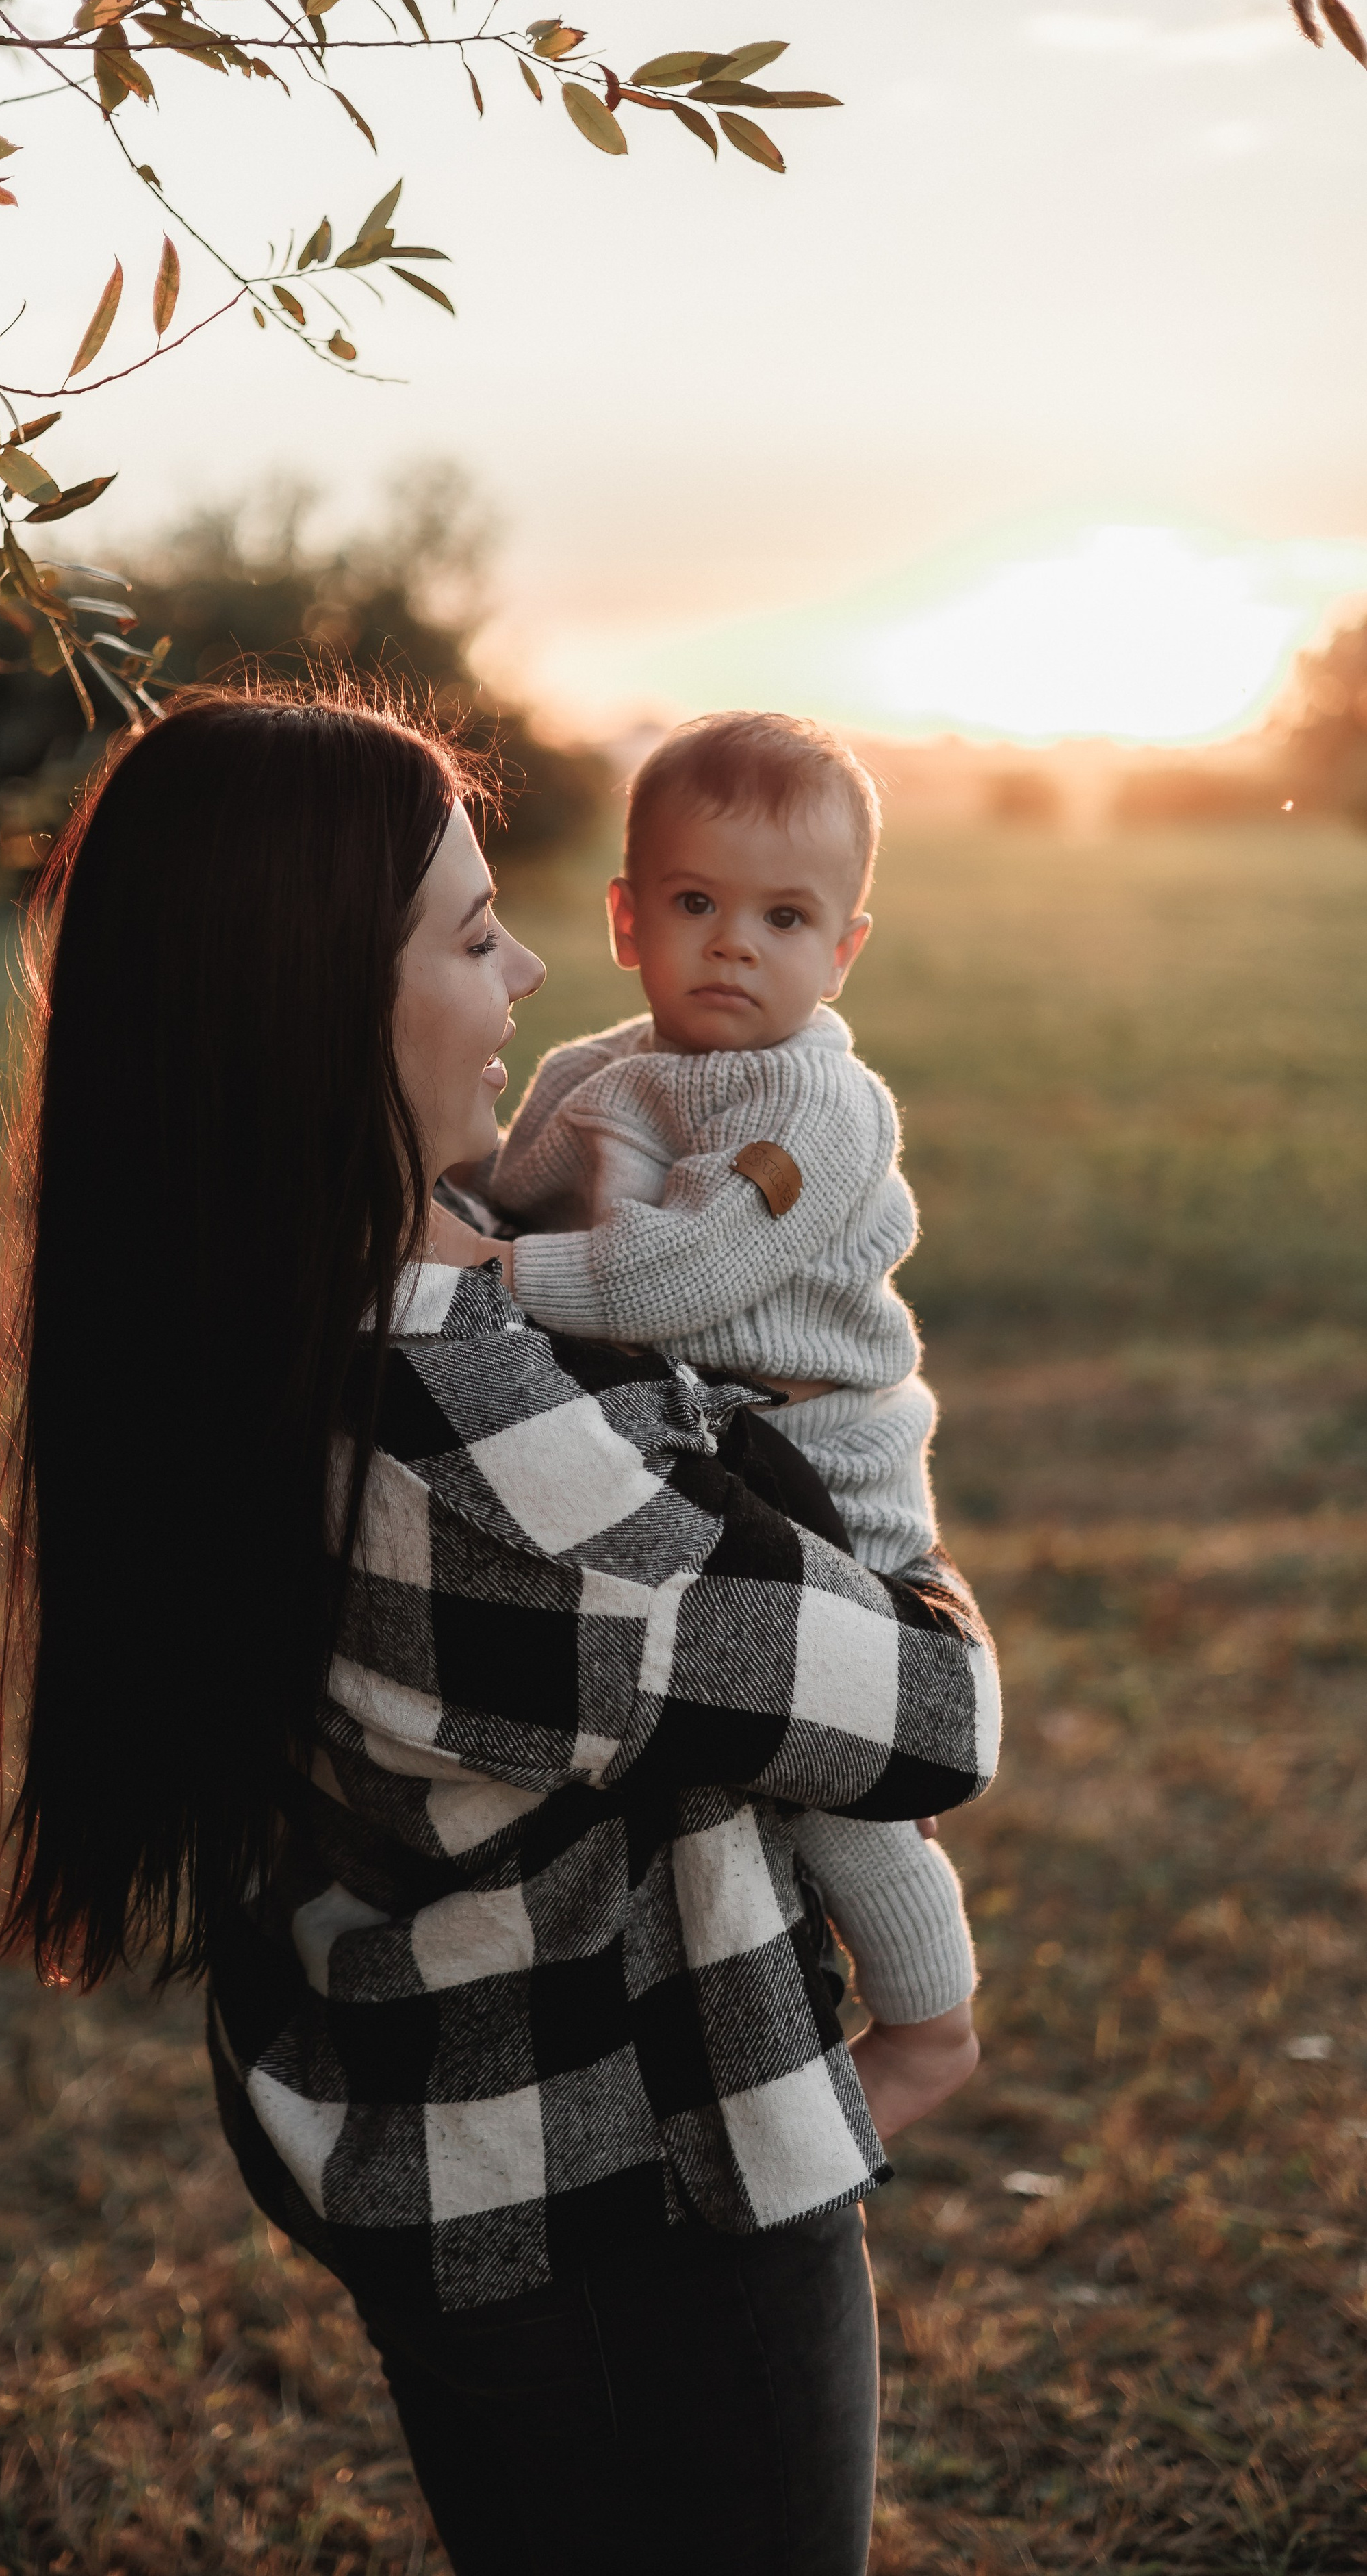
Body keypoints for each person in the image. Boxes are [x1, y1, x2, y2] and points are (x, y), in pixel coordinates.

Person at [0, 686, 1002, 2576]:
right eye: (471, 934)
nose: (535, 967)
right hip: (633, 2207)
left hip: (434, 2148)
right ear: (312, 1005)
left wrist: (502, 1226)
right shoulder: (483, 1452)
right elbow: (928, 1715)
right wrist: (868, 1520)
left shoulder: (230, 1300)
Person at [435, 707, 983, 2161]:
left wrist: (493, 1276)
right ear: (627, 919)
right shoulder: (599, 1074)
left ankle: (930, 2027)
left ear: (841, 950)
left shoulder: (816, 1103)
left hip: (828, 1463)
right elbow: (514, 1188)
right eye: (694, 904)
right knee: (737, 1751)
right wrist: (456, 1229)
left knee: (837, 1767)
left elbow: (676, 1277)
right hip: (700, 1447)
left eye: (782, 917)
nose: (734, 946)